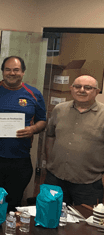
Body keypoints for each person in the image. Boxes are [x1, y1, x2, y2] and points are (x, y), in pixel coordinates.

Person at [0, 56, 47, 211]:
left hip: (19, 160)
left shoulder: (34, 94)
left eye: (16, 70)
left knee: (13, 203)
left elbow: (42, 121)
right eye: (8, 69)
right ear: (2, 71)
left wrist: (33, 129)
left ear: (23, 72)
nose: (12, 73)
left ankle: (10, 233)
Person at [45, 75, 104, 205]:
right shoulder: (59, 109)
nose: (81, 90)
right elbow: (50, 136)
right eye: (77, 86)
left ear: (97, 91)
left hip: (89, 183)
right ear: (71, 89)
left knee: (84, 222)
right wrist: (50, 162)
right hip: (55, 178)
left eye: (88, 88)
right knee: (50, 216)